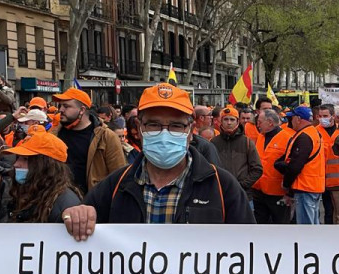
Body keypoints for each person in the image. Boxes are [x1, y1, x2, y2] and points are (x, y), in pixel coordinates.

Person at [60, 83, 254, 240]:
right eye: (153, 124)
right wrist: (76, 215)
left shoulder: (223, 186)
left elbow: (249, 251)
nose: (164, 134)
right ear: (139, 128)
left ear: (190, 131)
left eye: (176, 125)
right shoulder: (115, 185)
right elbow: (78, 234)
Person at [51, 88, 128, 193]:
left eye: (66, 106)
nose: (61, 110)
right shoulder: (54, 134)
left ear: (82, 110)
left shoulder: (106, 137)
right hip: (60, 200)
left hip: (92, 203)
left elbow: (119, 175)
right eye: (60, 105)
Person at [1, 126, 82, 223]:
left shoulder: (65, 204)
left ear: (46, 165)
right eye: (18, 158)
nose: (16, 164)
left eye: (25, 159)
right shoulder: (29, 191)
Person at [275, 106, 326, 224]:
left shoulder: (304, 136)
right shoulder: (313, 133)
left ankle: (308, 243)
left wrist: (286, 183)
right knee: (312, 223)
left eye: (291, 118)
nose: (290, 121)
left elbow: (295, 166)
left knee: (306, 227)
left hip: (305, 187)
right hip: (313, 185)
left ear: (298, 119)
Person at [251, 108, 295, 224]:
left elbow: (291, 166)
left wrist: (289, 191)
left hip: (278, 192)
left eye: (260, 122)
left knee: (280, 226)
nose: (257, 125)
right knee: (260, 225)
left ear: (270, 122)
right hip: (259, 190)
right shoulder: (261, 136)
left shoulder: (287, 138)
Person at [212, 105, 263, 199]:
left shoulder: (246, 142)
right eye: (225, 119)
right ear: (221, 122)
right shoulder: (213, 142)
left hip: (243, 195)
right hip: (220, 194)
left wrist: (241, 185)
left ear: (237, 122)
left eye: (232, 119)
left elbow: (257, 169)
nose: (229, 123)